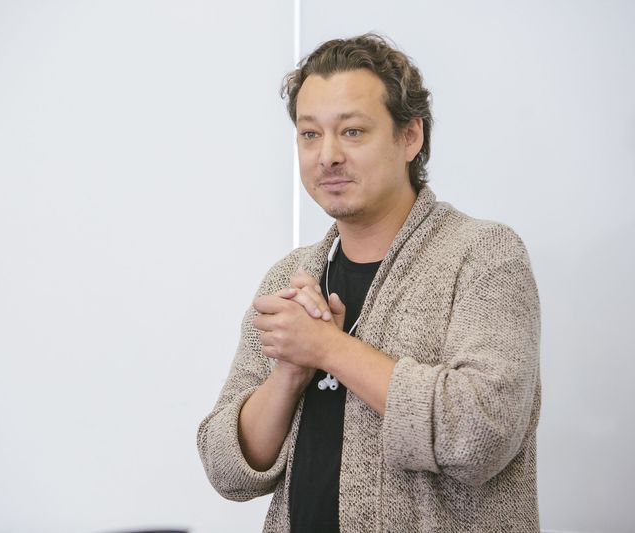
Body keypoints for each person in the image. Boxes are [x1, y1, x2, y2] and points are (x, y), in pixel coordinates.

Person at [197, 33, 540, 532]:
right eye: (309, 134)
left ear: (410, 137)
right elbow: (226, 469)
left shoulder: (483, 254)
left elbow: (480, 434)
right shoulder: (290, 276)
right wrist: (288, 375)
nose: (327, 156)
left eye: (352, 131)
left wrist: (329, 348)